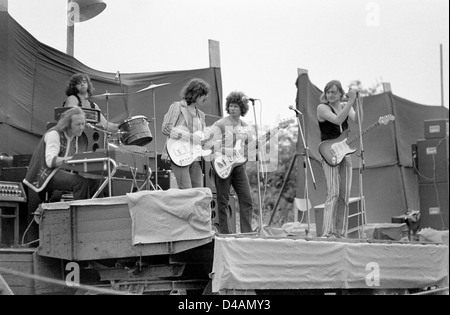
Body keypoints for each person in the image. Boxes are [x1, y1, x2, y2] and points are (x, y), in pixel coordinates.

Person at [23, 107, 101, 201]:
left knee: (95, 182)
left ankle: (91, 210)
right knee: (79, 182)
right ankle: (80, 213)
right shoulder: (54, 134)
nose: (81, 127)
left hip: (57, 172)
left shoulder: (73, 136)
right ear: (68, 124)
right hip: (46, 175)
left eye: (83, 124)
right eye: (77, 124)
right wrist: (75, 159)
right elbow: (50, 161)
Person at [316, 80, 362, 238]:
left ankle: (341, 232)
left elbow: (358, 120)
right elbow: (337, 120)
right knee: (333, 193)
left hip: (345, 152)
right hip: (329, 152)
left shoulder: (344, 106)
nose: (330, 95)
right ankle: (328, 232)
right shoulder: (322, 108)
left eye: (333, 92)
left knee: (344, 195)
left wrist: (357, 101)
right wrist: (350, 101)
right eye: (328, 92)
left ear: (340, 93)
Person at [211, 91, 254, 234]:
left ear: (242, 108)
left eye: (236, 106)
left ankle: (247, 233)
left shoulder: (245, 126)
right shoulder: (221, 123)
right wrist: (227, 152)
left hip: (239, 167)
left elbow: (250, 148)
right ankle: (225, 234)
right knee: (223, 201)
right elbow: (210, 144)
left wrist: (254, 148)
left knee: (247, 199)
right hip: (223, 165)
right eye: (230, 106)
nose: (233, 108)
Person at [161, 78, 210, 189]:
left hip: (195, 157)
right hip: (179, 155)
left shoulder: (201, 115)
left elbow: (201, 137)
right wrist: (190, 137)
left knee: (198, 192)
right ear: (195, 93)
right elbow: (166, 129)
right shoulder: (177, 107)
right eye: (203, 94)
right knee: (186, 192)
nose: (205, 98)